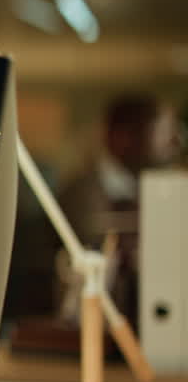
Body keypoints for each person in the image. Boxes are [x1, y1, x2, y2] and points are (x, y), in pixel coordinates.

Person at [55, 94, 184, 323]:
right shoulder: (79, 193)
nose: (176, 141)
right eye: (164, 130)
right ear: (123, 136)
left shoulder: (156, 189)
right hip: (89, 327)